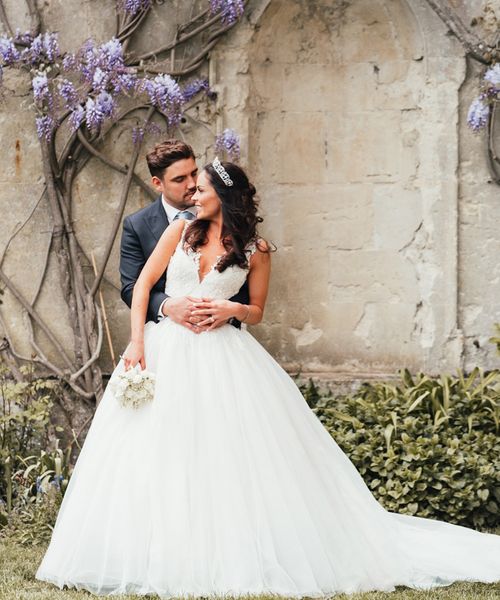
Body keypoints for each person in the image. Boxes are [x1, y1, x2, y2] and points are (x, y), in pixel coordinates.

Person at [36, 159, 500, 597]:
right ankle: (141, 550)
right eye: (192, 186)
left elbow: (257, 311)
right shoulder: (180, 231)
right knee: (152, 449)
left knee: (220, 454)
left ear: (225, 196)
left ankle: (222, 550)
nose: (193, 193)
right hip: (163, 350)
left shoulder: (255, 251)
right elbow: (141, 286)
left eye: (203, 188)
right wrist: (137, 343)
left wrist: (231, 308)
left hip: (221, 357)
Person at [119, 138, 249, 329]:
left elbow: (244, 277)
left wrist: (228, 313)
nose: (191, 184)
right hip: (166, 333)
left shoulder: (228, 216)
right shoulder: (137, 225)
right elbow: (131, 287)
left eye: (194, 173)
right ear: (158, 183)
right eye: (179, 179)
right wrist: (167, 306)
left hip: (221, 333)